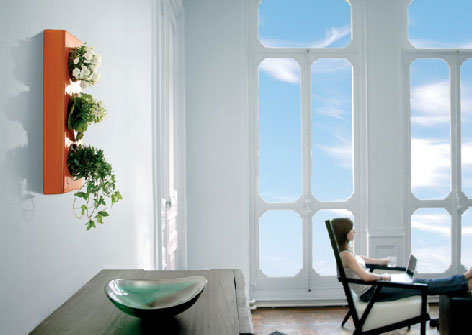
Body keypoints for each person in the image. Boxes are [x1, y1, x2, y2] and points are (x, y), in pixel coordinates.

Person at [331, 217, 472, 302]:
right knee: (422, 286)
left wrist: (381, 261)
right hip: (372, 292)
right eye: (351, 229)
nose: (354, 231)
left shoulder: (346, 252)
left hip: (376, 288)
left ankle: (464, 281)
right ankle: (465, 280)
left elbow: (360, 258)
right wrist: (383, 277)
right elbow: (366, 277)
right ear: (345, 233)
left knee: (419, 283)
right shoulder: (346, 255)